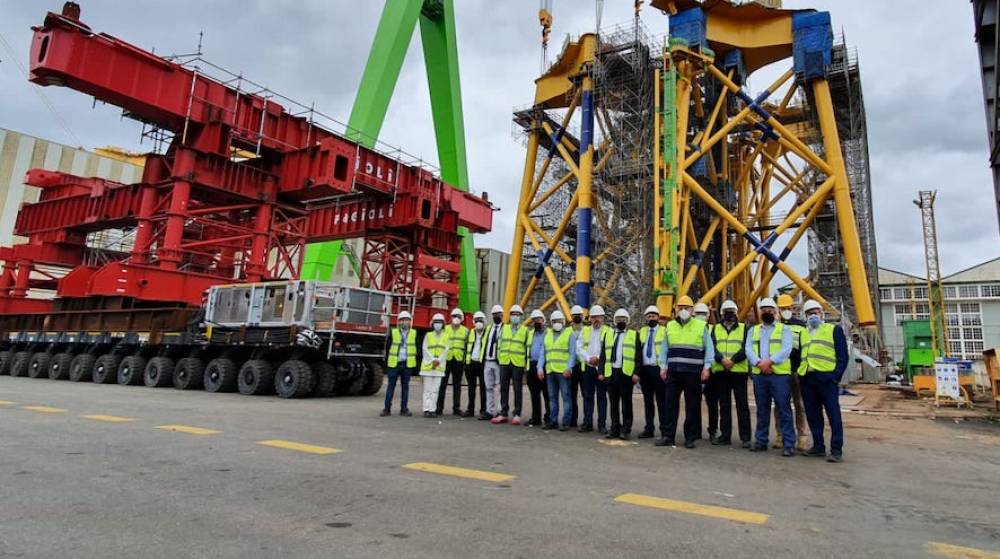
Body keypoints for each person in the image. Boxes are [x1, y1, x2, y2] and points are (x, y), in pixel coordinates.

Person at [657, 296, 714, 448]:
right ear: (676, 309)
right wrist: (663, 366)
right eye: (680, 308)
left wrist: (707, 367)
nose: (683, 311)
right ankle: (668, 436)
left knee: (692, 405)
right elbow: (664, 349)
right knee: (670, 405)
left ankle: (690, 437)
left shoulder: (701, 326)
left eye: (686, 308)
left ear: (692, 310)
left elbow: (709, 349)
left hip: (693, 373)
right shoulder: (670, 326)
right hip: (673, 372)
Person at [798, 299, 849, 463]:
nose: (814, 315)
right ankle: (818, 446)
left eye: (816, 312)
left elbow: (843, 356)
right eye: (810, 313)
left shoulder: (834, 329)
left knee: (833, 414)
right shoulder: (803, 333)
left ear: (822, 314)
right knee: (813, 415)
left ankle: (836, 449)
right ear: (805, 316)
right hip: (808, 378)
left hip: (826, 379)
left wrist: (835, 377)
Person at [745, 297, 796, 456]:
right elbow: (748, 349)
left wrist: (770, 362)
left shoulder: (784, 329)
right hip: (760, 374)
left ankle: (788, 444)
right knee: (762, 409)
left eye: (770, 309)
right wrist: (760, 363)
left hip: (779, 375)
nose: (767, 312)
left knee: (784, 409)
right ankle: (761, 440)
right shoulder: (753, 330)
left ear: (776, 311)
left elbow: (787, 349)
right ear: (760, 312)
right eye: (764, 309)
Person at [706, 300, 750, 447]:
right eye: (726, 311)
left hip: (738, 371)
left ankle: (745, 438)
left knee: (742, 405)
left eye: (731, 310)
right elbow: (712, 347)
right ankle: (725, 436)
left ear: (736, 313)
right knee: (724, 405)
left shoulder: (744, 329)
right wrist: (722, 360)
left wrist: (733, 360)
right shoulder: (716, 328)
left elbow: (746, 348)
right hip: (721, 372)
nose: (729, 313)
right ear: (721, 314)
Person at [775, 294, 809, 450]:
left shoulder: (801, 326)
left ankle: (802, 437)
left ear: (793, 308)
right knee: (780, 405)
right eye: (782, 308)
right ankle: (780, 435)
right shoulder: (773, 326)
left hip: (796, 370)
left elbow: (805, 348)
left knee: (799, 404)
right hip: (780, 371)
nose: (785, 311)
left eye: (788, 308)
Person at [603, 309, 640, 439]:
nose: (621, 322)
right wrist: (601, 372)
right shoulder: (608, 335)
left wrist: (636, 372)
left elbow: (638, 356)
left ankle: (626, 429)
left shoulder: (634, 335)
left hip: (626, 374)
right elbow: (603, 355)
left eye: (623, 319)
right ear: (614, 321)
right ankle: (614, 429)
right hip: (611, 373)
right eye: (618, 319)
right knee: (613, 404)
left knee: (626, 403)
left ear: (628, 321)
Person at [538, 310, 575, 430]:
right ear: (551, 322)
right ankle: (553, 421)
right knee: (552, 398)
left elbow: (573, 354)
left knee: (566, 398)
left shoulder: (569, 335)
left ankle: (566, 422)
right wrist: (540, 368)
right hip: (550, 371)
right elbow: (542, 353)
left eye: (559, 321)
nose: (556, 323)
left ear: (563, 322)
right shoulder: (547, 335)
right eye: (554, 321)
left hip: (563, 372)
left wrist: (569, 368)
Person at [577, 305, 611, 434]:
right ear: (590, 318)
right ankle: (588, 423)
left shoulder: (608, 331)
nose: (596, 319)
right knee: (587, 397)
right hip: (588, 367)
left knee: (602, 397)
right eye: (594, 317)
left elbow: (609, 348)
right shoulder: (585, 331)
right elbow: (578, 348)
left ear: (603, 318)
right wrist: (588, 358)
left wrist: (597, 358)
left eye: (599, 317)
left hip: (601, 369)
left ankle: (602, 425)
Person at [494, 304, 530, 425]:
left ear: (521, 316)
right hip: (504, 361)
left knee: (517, 389)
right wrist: (499, 358)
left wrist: (526, 364)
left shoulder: (525, 331)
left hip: (518, 363)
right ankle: (503, 413)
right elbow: (499, 344)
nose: (515, 316)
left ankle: (517, 414)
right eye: (513, 314)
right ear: (510, 316)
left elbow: (527, 348)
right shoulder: (504, 328)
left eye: (517, 315)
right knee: (503, 388)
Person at [637, 305, 667, 440]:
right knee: (648, 401)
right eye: (649, 316)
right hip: (645, 370)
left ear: (658, 317)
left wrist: (665, 368)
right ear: (645, 318)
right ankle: (649, 428)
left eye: (653, 316)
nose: (651, 318)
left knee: (662, 402)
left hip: (658, 369)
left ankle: (664, 430)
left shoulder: (664, 331)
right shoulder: (642, 331)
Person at [381, 310, 417, 417]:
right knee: (390, 387)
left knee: (405, 387)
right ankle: (387, 409)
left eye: (406, 320)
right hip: (395, 364)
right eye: (402, 320)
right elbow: (387, 348)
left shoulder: (414, 333)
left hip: (407, 364)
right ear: (398, 322)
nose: (404, 322)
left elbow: (416, 349)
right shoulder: (393, 332)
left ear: (410, 322)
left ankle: (404, 409)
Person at [437, 308, 468, 416]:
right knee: (442, 384)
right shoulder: (445, 329)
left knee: (457, 385)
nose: (456, 318)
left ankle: (456, 408)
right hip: (446, 359)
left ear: (462, 319)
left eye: (458, 317)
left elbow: (467, 346)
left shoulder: (465, 330)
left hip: (458, 360)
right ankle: (439, 408)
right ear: (451, 317)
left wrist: (465, 360)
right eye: (454, 316)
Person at [420, 313, 450, 417]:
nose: (438, 324)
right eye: (436, 322)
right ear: (432, 323)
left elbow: (446, 350)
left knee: (435, 390)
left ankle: (432, 410)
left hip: (439, 367)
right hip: (428, 367)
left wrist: (438, 361)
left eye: (440, 322)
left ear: (443, 324)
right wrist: (433, 360)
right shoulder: (428, 335)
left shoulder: (446, 336)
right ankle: (426, 409)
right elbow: (424, 349)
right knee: (427, 390)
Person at [526, 309, 551, 426]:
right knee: (534, 393)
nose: (536, 322)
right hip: (531, 365)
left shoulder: (549, 333)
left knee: (547, 393)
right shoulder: (530, 333)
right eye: (534, 320)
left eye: (538, 319)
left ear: (543, 320)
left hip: (545, 366)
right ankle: (536, 418)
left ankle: (548, 418)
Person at [463, 311, 488, 418]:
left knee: (483, 388)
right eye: (477, 320)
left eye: (480, 321)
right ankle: (470, 409)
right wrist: (465, 363)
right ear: (473, 322)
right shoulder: (470, 333)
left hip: (482, 364)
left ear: (484, 322)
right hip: (471, 363)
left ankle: (483, 410)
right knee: (471, 388)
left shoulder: (487, 333)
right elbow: (465, 348)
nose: (478, 323)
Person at [483, 304, 504, 420]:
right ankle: (489, 411)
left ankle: (500, 410)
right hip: (488, 361)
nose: (496, 316)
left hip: (498, 362)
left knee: (499, 387)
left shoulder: (505, 329)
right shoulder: (489, 329)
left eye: (498, 314)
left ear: (502, 315)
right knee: (488, 387)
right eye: (494, 314)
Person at [568, 305, 586, 427]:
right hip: (572, 366)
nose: (577, 317)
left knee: (586, 395)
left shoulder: (587, 330)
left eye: (579, 315)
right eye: (575, 315)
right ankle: (572, 419)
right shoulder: (567, 331)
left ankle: (586, 420)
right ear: (571, 317)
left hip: (584, 367)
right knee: (571, 394)